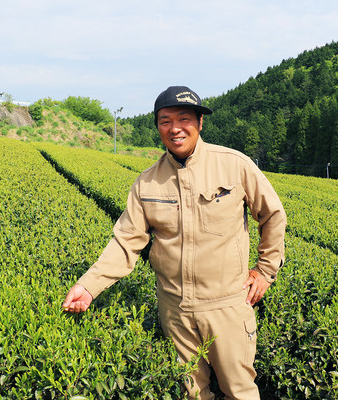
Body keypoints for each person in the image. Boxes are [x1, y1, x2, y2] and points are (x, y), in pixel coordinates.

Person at [62, 86, 287, 399]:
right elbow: (126, 242)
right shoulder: (147, 182)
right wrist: (88, 286)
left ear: (200, 123)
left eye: (184, 119)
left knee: (239, 391)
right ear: (157, 127)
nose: (175, 128)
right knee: (192, 393)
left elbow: (273, 216)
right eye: (165, 121)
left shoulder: (235, 165)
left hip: (227, 305)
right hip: (174, 309)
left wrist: (265, 271)